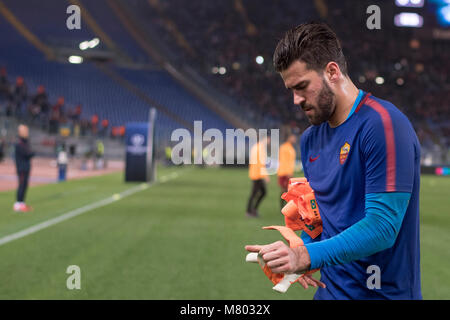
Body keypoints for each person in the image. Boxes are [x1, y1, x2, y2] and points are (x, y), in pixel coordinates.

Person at [245, 22, 421, 299]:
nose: (295, 100)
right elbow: (318, 218)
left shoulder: (383, 124)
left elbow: (383, 227)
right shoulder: (310, 140)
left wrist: (305, 255)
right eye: (291, 90)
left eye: (302, 87)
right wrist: (294, 251)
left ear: (332, 72)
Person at [246, 135, 270, 218]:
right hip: (258, 174)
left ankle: (252, 210)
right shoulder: (261, 148)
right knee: (257, 193)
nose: (269, 141)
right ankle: (250, 211)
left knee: (259, 193)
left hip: (254, 173)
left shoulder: (255, 147)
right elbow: (261, 163)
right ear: (265, 138)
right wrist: (265, 175)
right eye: (268, 139)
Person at [14, 124, 35, 212]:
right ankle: (18, 204)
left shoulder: (25, 142)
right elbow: (28, 154)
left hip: (26, 167)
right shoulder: (19, 143)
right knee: (21, 185)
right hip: (22, 167)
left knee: (25, 185)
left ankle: (22, 203)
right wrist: (32, 153)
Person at [277, 133, 297, 210]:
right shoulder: (284, 148)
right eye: (293, 137)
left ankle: (285, 207)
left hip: (288, 172)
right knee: (284, 191)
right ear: (289, 137)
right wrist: (288, 173)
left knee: (288, 191)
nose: (295, 139)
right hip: (284, 173)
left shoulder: (290, 147)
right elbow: (283, 161)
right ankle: (283, 207)